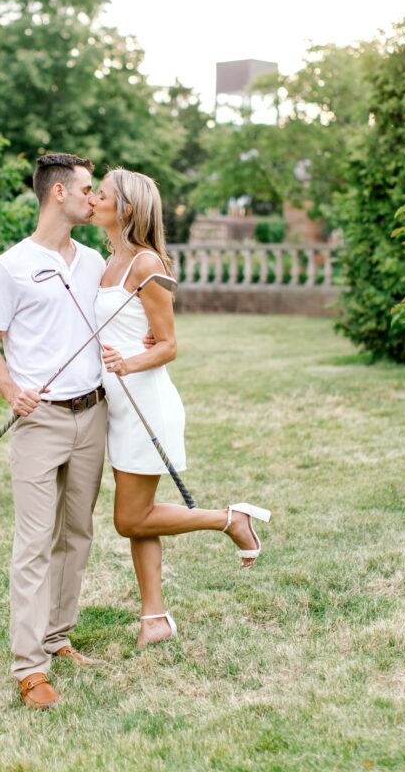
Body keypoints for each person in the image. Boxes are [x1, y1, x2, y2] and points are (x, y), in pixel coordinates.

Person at [92, 169, 271, 648]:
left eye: (101, 194)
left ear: (126, 208)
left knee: (130, 518)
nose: (92, 199)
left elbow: (168, 345)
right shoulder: (105, 262)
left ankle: (230, 519)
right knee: (141, 514)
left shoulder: (146, 263)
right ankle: (154, 619)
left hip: (147, 402)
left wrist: (128, 362)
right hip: (119, 405)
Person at [0, 153, 108, 710]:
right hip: (41, 420)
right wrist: (12, 392)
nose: (93, 197)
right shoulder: (10, 267)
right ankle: (29, 668)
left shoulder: (96, 261)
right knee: (33, 543)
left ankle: (57, 637)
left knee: (76, 534)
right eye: (87, 187)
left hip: (93, 413)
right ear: (58, 193)